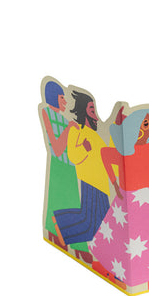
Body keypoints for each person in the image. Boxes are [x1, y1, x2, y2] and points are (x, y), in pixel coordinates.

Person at [89, 107, 149, 287]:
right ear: (136, 129)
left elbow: (105, 154)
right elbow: (105, 154)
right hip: (143, 200)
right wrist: (114, 182)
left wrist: (115, 183)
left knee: (146, 236)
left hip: (144, 199)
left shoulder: (145, 149)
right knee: (136, 236)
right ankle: (134, 273)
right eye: (146, 123)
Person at [39, 79, 90, 260]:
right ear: (54, 98)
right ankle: (66, 239)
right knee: (60, 201)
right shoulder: (47, 113)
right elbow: (57, 149)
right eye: (62, 97)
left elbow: (71, 147)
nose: (66, 102)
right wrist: (69, 128)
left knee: (72, 202)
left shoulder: (65, 119)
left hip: (70, 166)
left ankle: (74, 242)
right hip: (59, 165)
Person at [52, 91, 111, 249]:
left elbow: (105, 156)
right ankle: (61, 226)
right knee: (92, 225)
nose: (95, 115)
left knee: (102, 224)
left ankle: (60, 222)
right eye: (92, 109)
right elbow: (72, 155)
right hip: (90, 180)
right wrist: (84, 148)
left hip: (102, 183)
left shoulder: (95, 135)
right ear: (83, 110)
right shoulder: (77, 130)